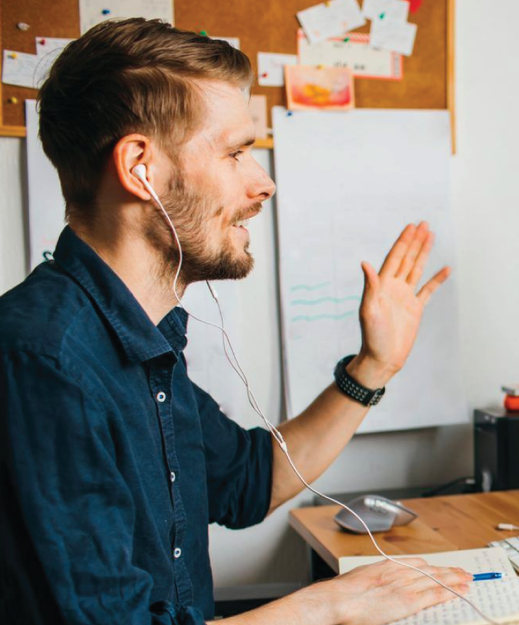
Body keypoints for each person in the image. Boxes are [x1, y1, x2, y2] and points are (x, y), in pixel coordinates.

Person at [0, 19, 471, 625]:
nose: (263, 182)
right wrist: (327, 609)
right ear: (140, 166)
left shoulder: (142, 335)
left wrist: (372, 366)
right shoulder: (45, 360)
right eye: (236, 152)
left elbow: (250, 482)